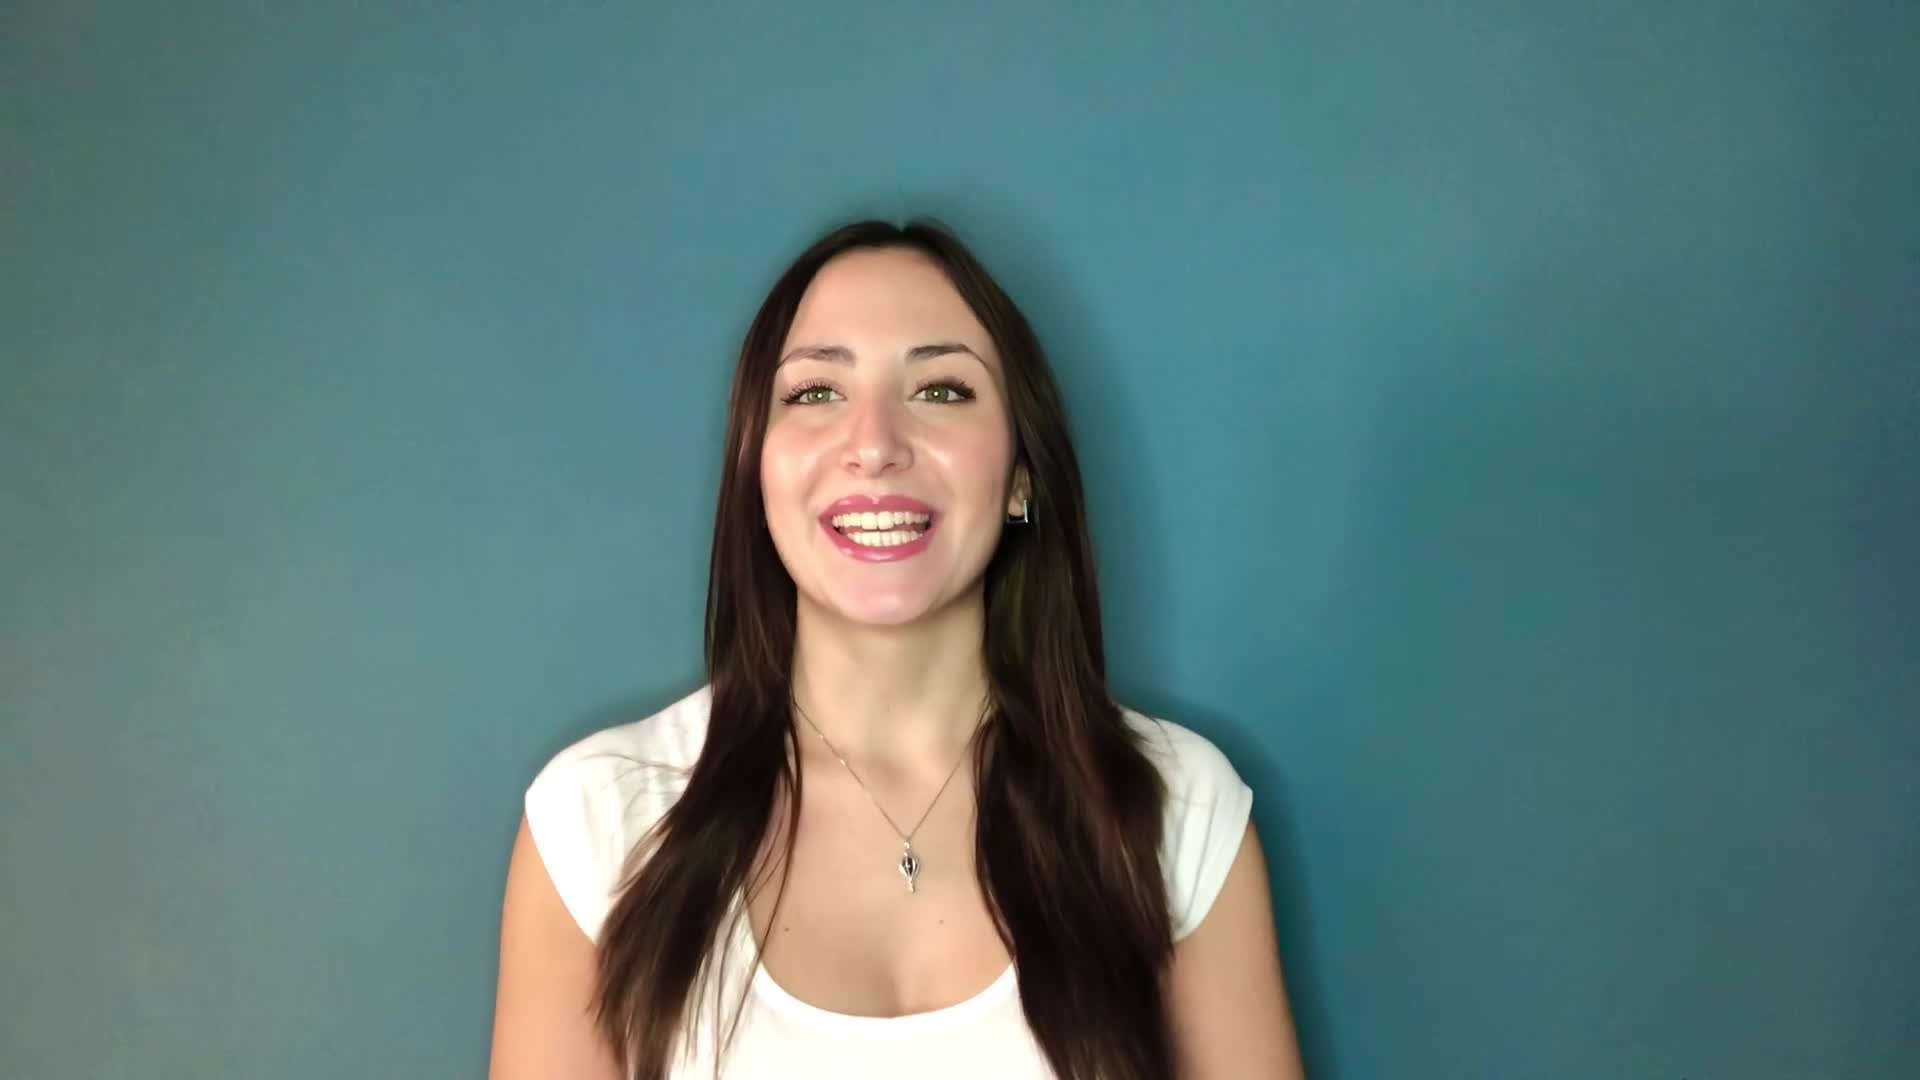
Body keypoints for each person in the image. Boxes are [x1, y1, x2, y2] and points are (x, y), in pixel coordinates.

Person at [489, 219, 1306, 1079]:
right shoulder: (598, 822)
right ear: (756, 470)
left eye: (941, 390)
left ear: (1022, 476)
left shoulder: (1178, 809)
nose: (875, 445)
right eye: (816, 392)